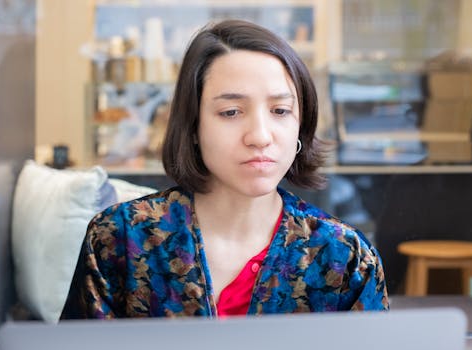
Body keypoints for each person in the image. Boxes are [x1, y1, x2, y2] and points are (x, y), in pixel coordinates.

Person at [61, 19, 389, 319]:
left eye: (280, 110)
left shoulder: (344, 256)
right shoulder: (119, 238)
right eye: (231, 112)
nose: (260, 136)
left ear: (300, 127)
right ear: (192, 127)